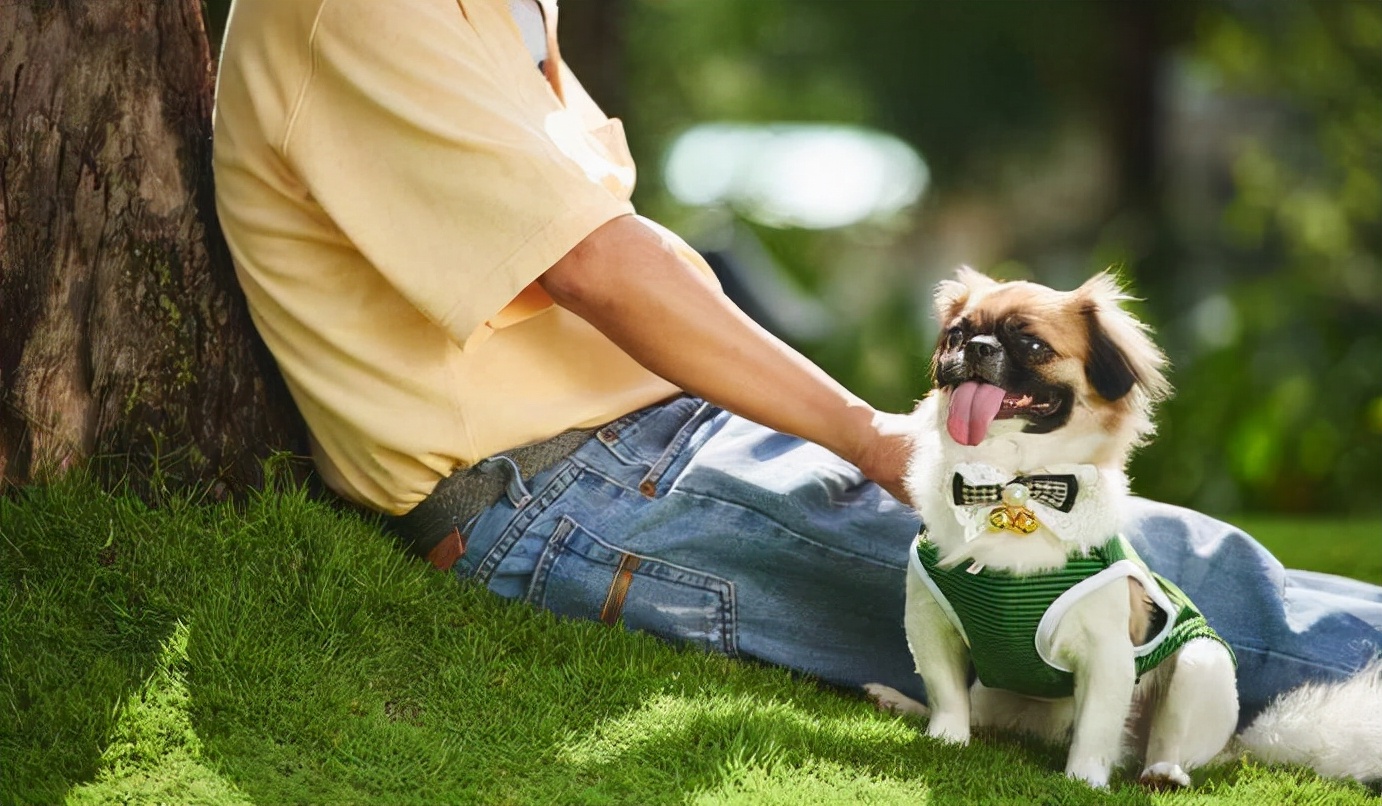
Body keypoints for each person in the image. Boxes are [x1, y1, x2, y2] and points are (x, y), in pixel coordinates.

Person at [212, 0, 1380, 722]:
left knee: (1118, 550)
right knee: (1085, 585)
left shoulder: (498, 12)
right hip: (556, 489)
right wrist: (867, 433)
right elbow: (598, 266)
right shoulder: (358, 8)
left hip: (645, 445)